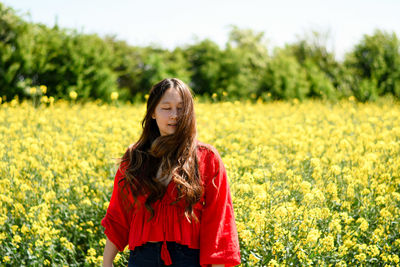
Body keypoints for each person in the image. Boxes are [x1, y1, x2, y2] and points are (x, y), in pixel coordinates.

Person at [101, 78, 241, 267]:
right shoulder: (135, 157)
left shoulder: (207, 158)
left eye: (181, 108)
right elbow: (119, 215)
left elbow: (219, 222)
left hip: (188, 260)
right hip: (142, 259)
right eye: (166, 108)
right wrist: (106, 263)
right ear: (152, 113)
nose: (174, 115)